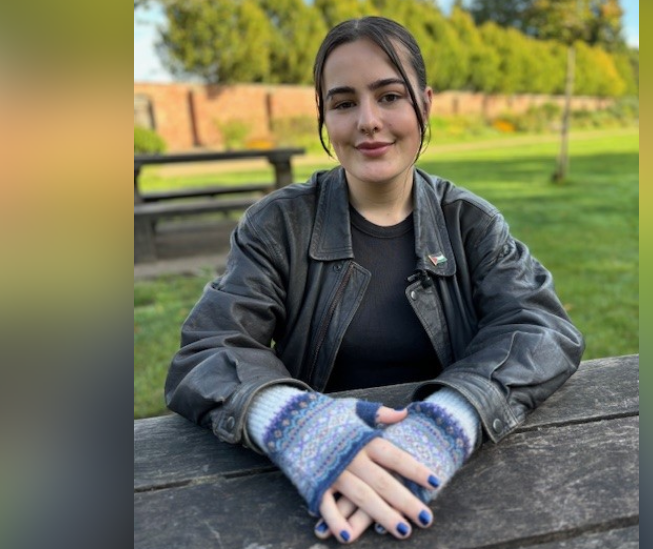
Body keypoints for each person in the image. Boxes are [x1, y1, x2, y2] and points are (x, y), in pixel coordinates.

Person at [164, 16, 584, 545]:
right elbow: (207, 349)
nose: (367, 120)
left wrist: (448, 420)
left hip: (454, 487)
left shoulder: (472, 223)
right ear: (325, 117)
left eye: (389, 96)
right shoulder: (276, 225)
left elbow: (542, 327)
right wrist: (300, 424)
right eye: (343, 103)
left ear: (424, 104)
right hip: (313, 493)